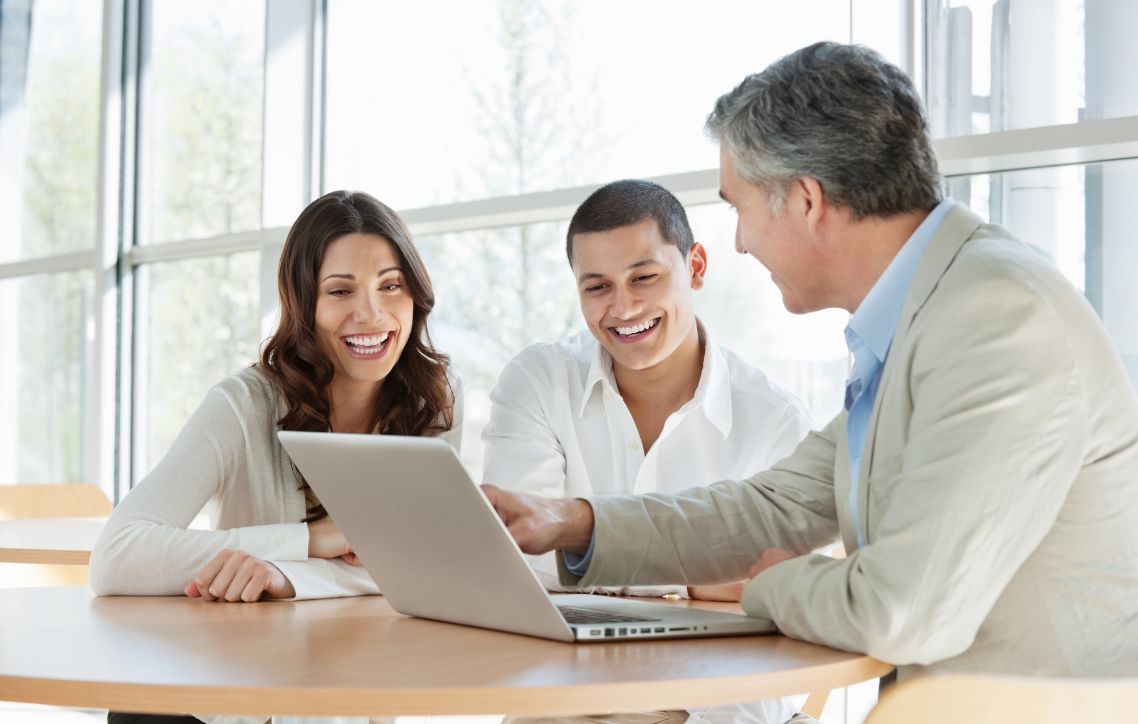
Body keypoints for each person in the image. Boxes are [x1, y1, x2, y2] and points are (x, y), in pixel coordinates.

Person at [482, 39, 1138, 695]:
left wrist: (769, 584)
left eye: (738, 207)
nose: (740, 241)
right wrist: (573, 522)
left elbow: (897, 611)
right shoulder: (924, 315)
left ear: (804, 201)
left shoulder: (993, 318)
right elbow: (775, 505)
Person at [90, 190, 461, 724]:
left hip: (354, 694)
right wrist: (310, 540)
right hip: (232, 701)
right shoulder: (243, 404)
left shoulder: (436, 401)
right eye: (340, 291)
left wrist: (284, 575)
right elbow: (117, 555)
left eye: (391, 286)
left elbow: (431, 565)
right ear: (303, 303)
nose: (371, 314)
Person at [483, 179, 813, 723]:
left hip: (718, 697)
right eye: (597, 287)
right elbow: (514, 561)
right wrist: (693, 578)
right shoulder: (540, 381)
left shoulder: (773, 420)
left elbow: (784, 595)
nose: (623, 306)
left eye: (644, 277)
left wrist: (586, 553)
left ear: (695, 266)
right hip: (567, 689)